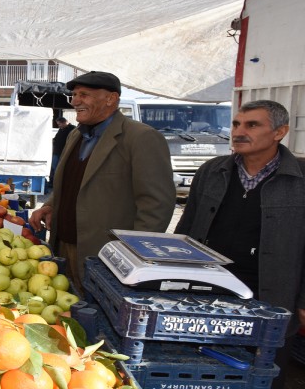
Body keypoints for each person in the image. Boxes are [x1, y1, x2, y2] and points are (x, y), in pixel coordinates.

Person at [175, 100, 305, 388]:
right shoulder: (211, 171)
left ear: (279, 132)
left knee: (264, 374)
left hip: (272, 296)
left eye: (252, 125)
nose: (239, 131)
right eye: (236, 124)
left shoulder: (300, 177)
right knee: (204, 372)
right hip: (211, 292)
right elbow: (187, 227)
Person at [29, 71, 175, 292]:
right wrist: (49, 204)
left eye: (84, 94)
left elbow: (156, 205)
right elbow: (70, 183)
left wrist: (132, 258)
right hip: (63, 247)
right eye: (75, 94)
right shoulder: (75, 135)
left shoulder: (141, 137)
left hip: (105, 256)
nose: (75, 101)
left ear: (111, 99)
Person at [49, 117, 75, 189]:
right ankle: (52, 183)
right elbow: (57, 138)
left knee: (59, 169)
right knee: (53, 168)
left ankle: (58, 183)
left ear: (64, 122)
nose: (59, 126)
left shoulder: (73, 129)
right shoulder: (61, 129)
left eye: (59, 124)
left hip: (63, 153)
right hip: (56, 152)